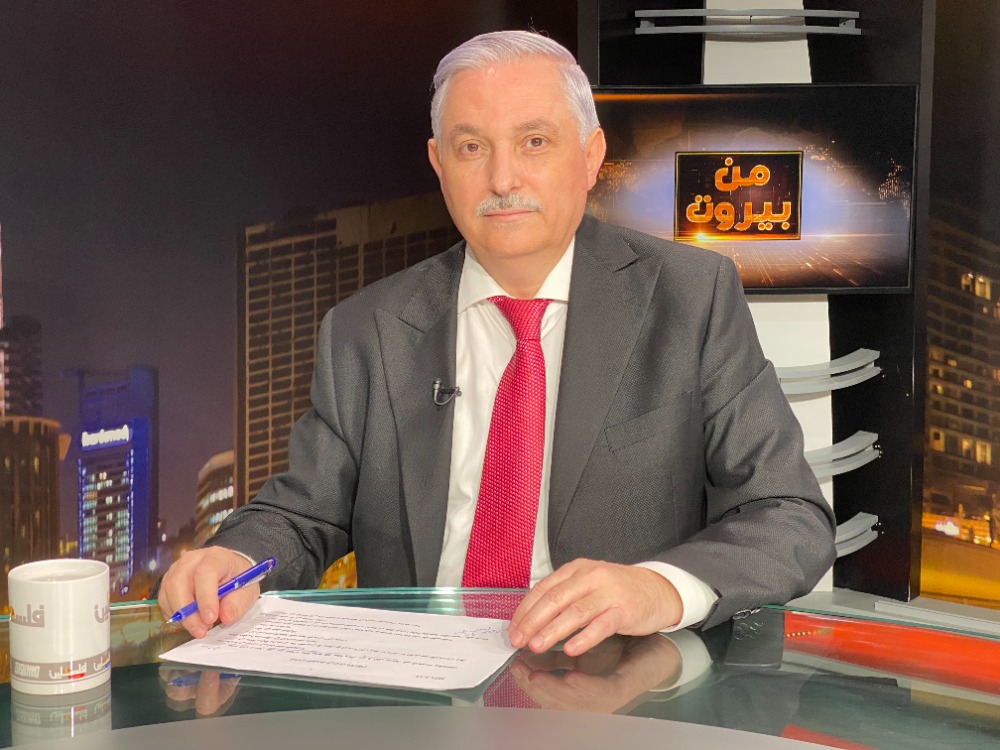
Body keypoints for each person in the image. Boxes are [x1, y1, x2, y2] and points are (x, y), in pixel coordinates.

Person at [158, 30, 836, 655]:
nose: (503, 179)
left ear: (591, 156)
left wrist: (658, 587)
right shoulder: (365, 329)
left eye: (534, 141)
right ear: (438, 163)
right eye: (471, 147)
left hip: (616, 684)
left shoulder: (691, 298)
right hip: (419, 684)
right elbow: (299, 513)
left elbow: (788, 515)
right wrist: (233, 558)